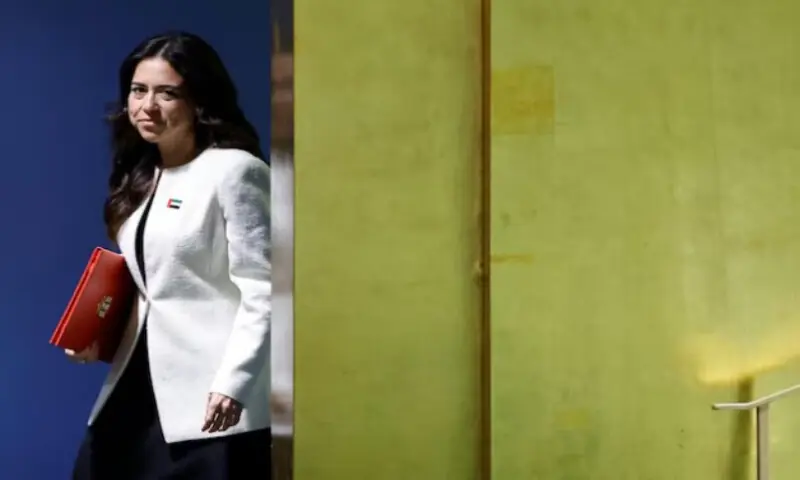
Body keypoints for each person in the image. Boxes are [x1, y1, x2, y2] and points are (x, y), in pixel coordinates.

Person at [67, 31, 272, 479]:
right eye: (138, 90)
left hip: (210, 397)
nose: (147, 106)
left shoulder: (236, 171)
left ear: (199, 101)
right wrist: (100, 334)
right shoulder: (142, 174)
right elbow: (154, 284)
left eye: (167, 93)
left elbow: (265, 291)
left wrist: (234, 383)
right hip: (136, 382)